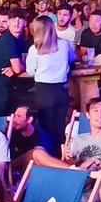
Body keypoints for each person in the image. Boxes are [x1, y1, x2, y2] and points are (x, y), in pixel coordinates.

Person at [25, 14, 74, 148]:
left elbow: (30, 71)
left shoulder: (34, 49)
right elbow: (72, 58)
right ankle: (61, 155)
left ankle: (48, 157)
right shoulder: (64, 44)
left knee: (46, 128)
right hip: (61, 90)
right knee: (60, 127)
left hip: (43, 91)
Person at [6, 103, 54, 174]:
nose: (14, 119)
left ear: (29, 119)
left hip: (33, 173)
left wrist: (11, 165)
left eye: (18, 116)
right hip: (12, 172)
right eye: (15, 115)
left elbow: (40, 157)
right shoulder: (12, 132)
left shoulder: (42, 136)